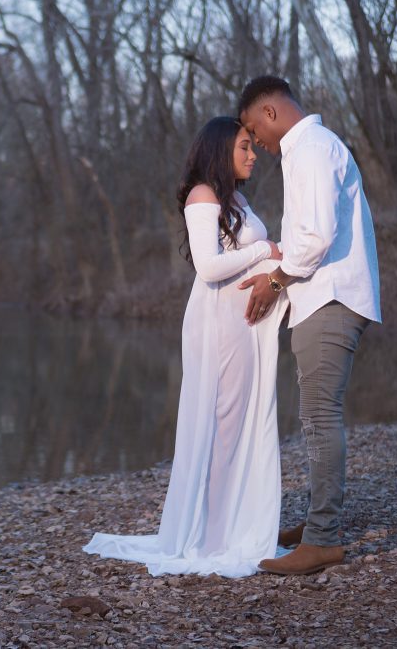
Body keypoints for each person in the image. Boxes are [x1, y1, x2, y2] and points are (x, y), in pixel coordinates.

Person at [82, 116, 291, 577]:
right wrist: (265, 251)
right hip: (219, 323)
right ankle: (213, 538)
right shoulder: (203, 196)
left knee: (241, 422)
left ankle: (233, 525)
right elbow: (210, 268)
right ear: (220, 150)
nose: (253, 154)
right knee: (223, 424)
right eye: (243, 147)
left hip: (241, 323)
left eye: (252, 147)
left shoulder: (237, 197)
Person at [237, 76, 381, 576]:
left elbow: (316, 237)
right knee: (316, 416)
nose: (257, 144)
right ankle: (320, 523)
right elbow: (306, 235)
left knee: (320, 416)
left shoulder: (312, 148)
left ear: (271, 114)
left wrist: (274, 283)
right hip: (325, 296)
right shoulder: (311, 149)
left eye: (255, 131)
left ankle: (323, 539)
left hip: (332, 297)